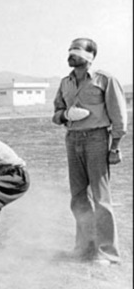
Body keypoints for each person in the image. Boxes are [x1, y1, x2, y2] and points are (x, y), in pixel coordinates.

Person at [52, 38, 128, 265]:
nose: (70, 54)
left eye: (76, 51)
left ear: (91, 56)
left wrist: (115, 147)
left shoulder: (105, 79)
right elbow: (56, 112)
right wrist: (65, 116)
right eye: (69, 50)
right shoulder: (65, 82)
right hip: (72, 139)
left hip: (96, 138)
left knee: (101, 197)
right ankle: (84, 247)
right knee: (77, 197)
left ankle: (107, 253)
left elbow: (119, 117)